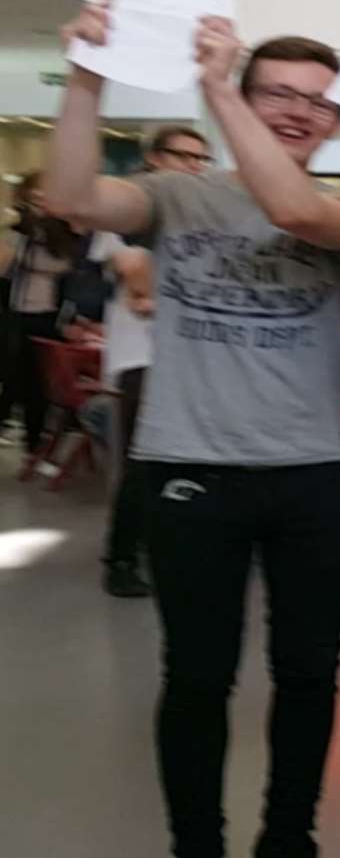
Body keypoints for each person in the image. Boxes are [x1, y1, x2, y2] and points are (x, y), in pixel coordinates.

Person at [48, 7, 340, 858]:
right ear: (246, 95)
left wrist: (221, 90)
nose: (300, 111)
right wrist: (83, 78)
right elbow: (72, 198)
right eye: (281, 92)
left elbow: (292, 209)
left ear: (337, 122)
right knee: (197, 677)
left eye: (318, 101)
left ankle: (287, 852)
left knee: (309, 675)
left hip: (315, 472)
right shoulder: (176, 196)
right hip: (193, 464)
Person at [93, 125, 211, 598]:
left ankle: (169, 551)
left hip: (191, 355)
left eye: (201, 158)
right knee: (145, 461)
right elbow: (140, 284)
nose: (193, 166)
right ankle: (120, 558)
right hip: (144, 354)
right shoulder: (130, 205)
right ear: (155, 157)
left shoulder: (195, 212)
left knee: (187, 460)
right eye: (182, 156)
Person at [0, 172, 80, 452]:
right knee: (13, 372)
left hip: (49, 314)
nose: (40, 198)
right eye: (35, 192)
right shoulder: (18, 226)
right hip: (15, 309)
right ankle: (19, 428)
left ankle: (36, 435)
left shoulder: (63, 228)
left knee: (40, 377)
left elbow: (63, 264)